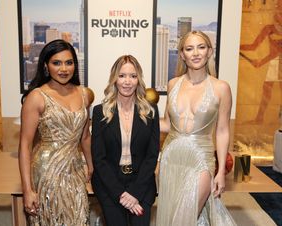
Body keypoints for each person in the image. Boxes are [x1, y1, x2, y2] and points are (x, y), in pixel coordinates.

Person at [156, 30, 237, 225]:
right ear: (182, 55)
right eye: (189, 48)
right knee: (174, 214)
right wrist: (136, 118)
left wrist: (219, 172)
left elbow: (223, 130)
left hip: (201, 159)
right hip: (171, 158)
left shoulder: (221, 88)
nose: (196, 53)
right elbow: (167, 124)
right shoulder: (173, 84)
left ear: (209, 51)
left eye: (201, 47)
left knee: (182, 219)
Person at [18, 39, 93, 226]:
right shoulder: (36, 97)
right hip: (45, 172)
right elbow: (25, 146)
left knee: (79, 218)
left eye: (69, 62)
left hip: (75, 171)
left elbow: (85, 136)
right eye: (56, 63)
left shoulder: (84, 94)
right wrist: (27, 190)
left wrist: (91, 166)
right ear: (46, 65)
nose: (64, 69)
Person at [91, 55, 160, 226]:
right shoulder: (100, 112)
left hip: (142, 185)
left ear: (139, 80)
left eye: (133, 76)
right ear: (114, 79)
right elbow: (99, 159)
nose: (127, 81)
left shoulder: (151, 111)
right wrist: (121, 194)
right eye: (122, 76)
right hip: (109, 185)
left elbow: (152, 156)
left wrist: (134, 193)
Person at [239, 1, 282, 124]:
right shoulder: (269, 28)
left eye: (279, 7)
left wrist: (261, 62)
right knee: (266, 90)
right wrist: (236, 45)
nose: (277, 11)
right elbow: (253, 46)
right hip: (274, 64)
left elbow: (277, 53)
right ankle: (259, 118)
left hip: (276, 63)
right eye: (277, 7)